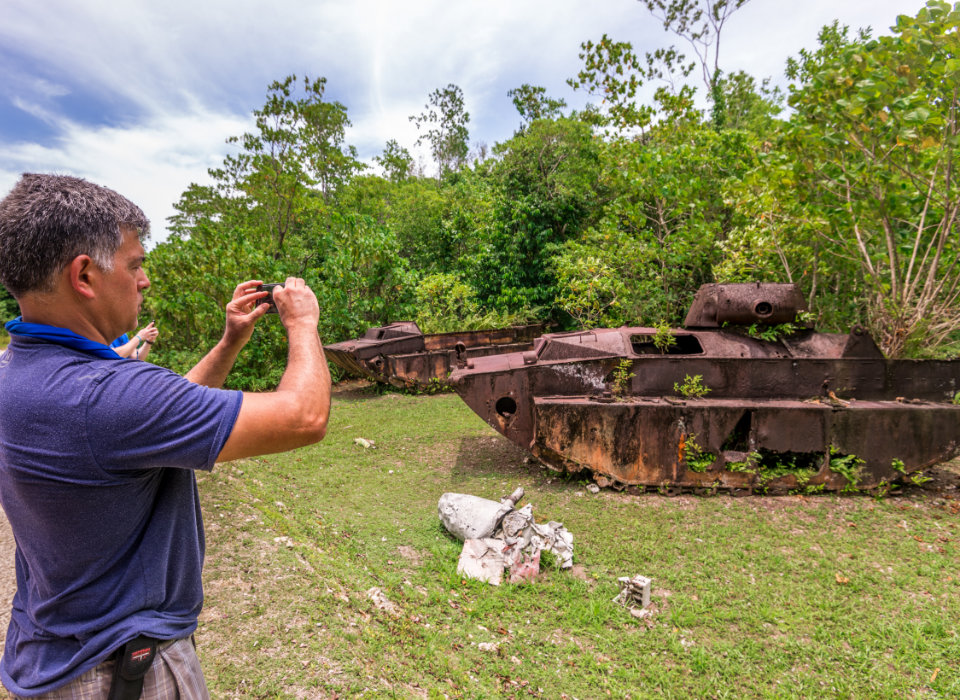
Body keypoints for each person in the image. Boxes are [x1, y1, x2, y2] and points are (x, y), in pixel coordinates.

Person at [0, 173, 331, 698]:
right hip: (124, 673)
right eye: (135, 265)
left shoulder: (17, 372)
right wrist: (305, 325)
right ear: (84, 275)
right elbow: (304, 417)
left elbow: (152, 423)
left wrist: (228, 343)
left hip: (56, 656)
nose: (145, 280)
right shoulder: (103, 395)